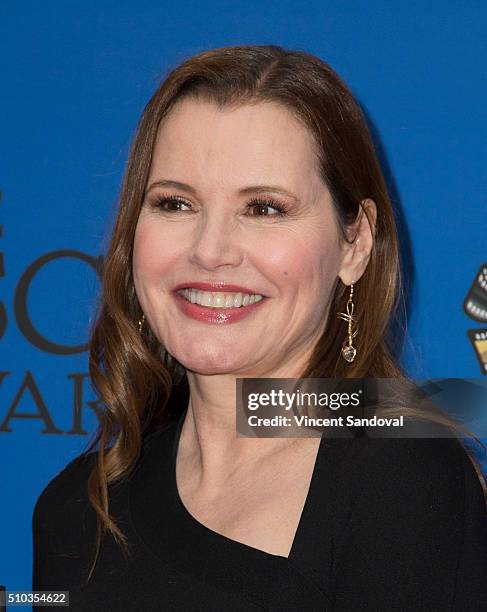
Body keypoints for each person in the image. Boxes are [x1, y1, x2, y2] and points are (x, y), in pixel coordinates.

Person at [32, 45, 487, 610]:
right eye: (175, 204)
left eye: (265, 208)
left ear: (356, 243)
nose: (210, 250)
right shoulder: (76, 509)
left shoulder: (401, 478)